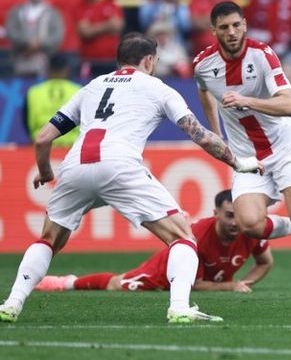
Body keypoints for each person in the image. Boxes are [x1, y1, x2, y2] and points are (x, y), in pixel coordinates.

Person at [0, 32, 264, 324]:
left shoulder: (92, 86)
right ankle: (179, 307)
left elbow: (43, 138)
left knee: (49, 239)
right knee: (182, 237)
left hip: (76, 166)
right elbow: (198, 134)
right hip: (119, 165)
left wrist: (47, 170)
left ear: (119, 60)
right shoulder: (157, 88)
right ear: (149, 60)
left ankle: (12, 303)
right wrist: (238, 162)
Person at [194, 1, 291, 300]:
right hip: (246, 157)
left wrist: (247, 101)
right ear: (214, 30)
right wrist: (216, 135)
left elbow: (288, 104)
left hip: (284, 147)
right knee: (249, 225)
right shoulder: (203, 64)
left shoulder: (263, 55)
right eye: (224, 27)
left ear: (244, 24)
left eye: (236, 25)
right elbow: (204, 91)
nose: (232, 32)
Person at [35, 190, 291, 293]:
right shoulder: (197, 236)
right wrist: (232, 287)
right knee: (119, 284)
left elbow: (265, 262)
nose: (234, 223)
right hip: (165, 272)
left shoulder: (251, 230)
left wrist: (246, 283)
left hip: (213, 280)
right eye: (228, 216)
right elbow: (192, 285)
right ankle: (65, 283)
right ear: (215, 213)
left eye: (237, 216)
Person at [6, 0, 64, 78]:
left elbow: (57, 34)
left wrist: (39, 44)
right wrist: (27, 43)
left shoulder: (52, 13)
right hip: (21, 58)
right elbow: (11, 31)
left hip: (45, 60)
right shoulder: (17, 11)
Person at [25, 54, 81, 147]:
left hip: (42, 146)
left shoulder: (33, 92)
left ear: (47, 70)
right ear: (67, 69)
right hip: (72, 148)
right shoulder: (78, 90)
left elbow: (27, 123)